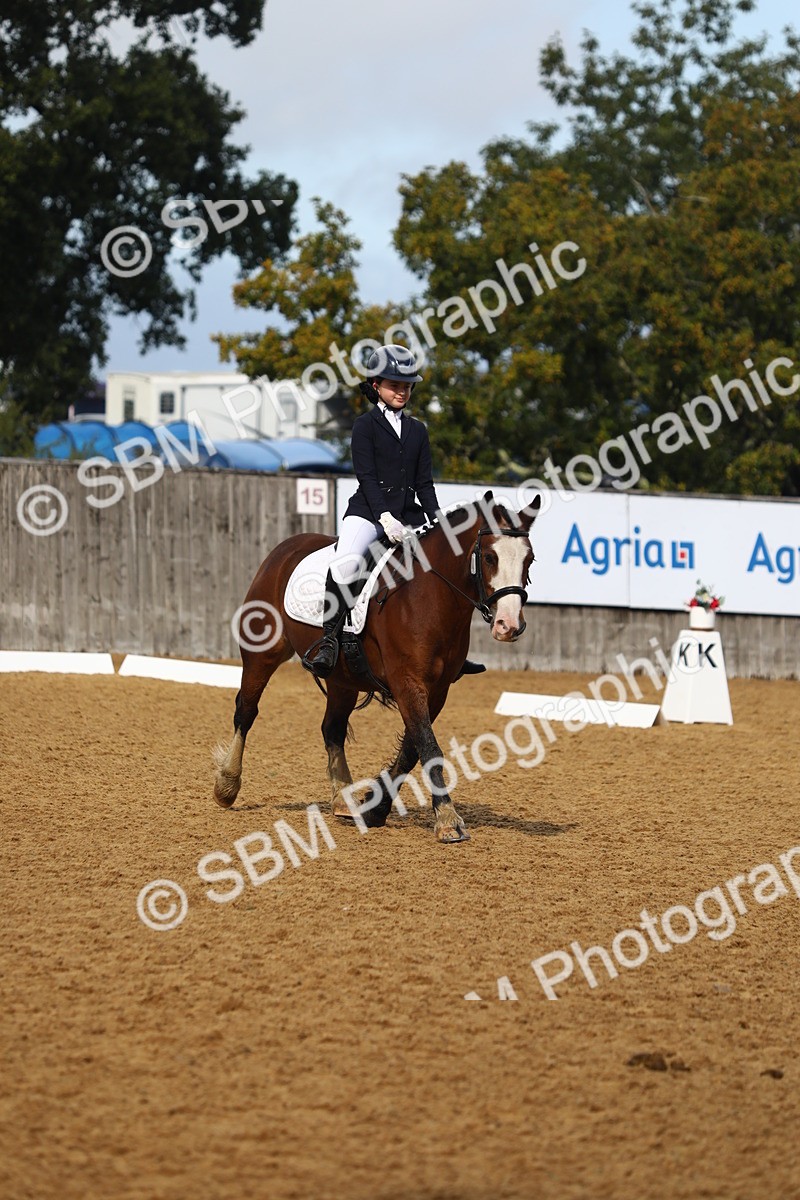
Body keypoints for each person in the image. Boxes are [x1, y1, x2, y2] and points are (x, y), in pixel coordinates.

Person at [304, 344, 484, 680]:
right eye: (394, 385)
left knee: (445, 564)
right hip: (368, 513)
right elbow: (367, 478)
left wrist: (438, 522)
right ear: (376, 386)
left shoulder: (418, 430)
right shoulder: (364, 426)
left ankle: (453, 650)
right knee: (346, 563)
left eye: (406, 386)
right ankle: (328, 639)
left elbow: (424, 484)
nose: (401, 392)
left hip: (409, 516)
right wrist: (384, 518)